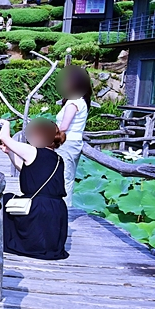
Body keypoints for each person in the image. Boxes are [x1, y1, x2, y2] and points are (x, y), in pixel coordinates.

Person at [0, 117, 69, 260]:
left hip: (38, 209)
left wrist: (6, 124)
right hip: (56, 210)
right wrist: (9, 152)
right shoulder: (58, 158)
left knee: (2, 201)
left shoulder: (32, 150)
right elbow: (28, 170)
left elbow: (5, 137)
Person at [55, 65, 92, 207]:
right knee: (67, 177)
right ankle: (64, 209)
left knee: (64, 178)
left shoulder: (73, 102)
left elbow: (64, 126)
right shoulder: (82, 101)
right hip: (74, 143)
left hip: (66, 143)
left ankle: (64, 210)